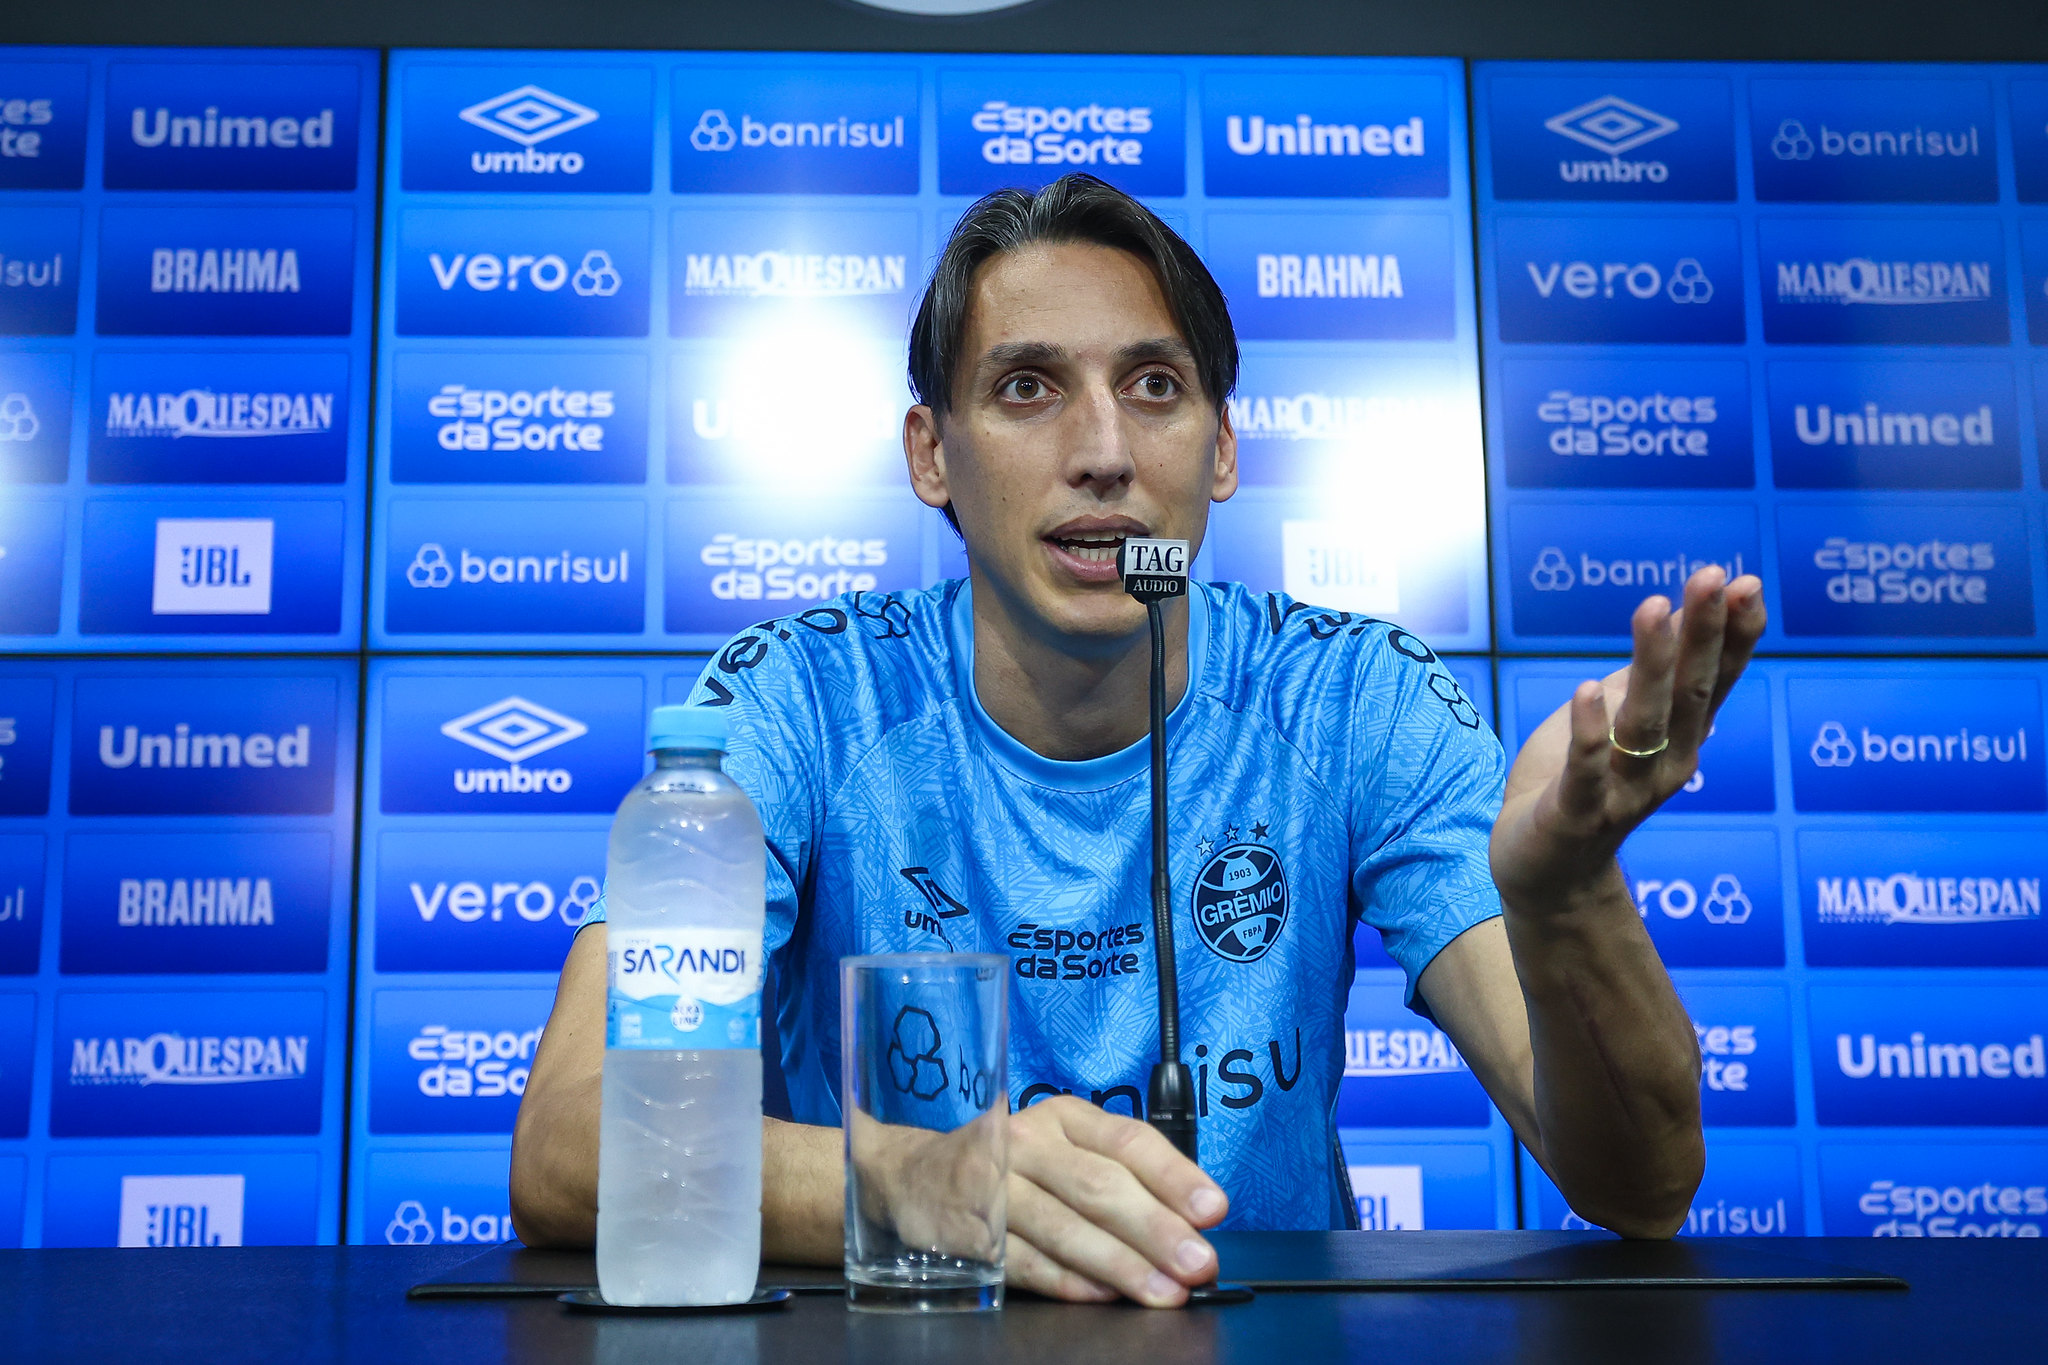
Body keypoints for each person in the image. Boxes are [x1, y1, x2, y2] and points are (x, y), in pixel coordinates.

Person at [510, 173, 1767, 1307]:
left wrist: (1563, 895)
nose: (1103, 454)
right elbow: (570, 1138)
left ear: (1219, 452)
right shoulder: (799, 698)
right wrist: (929, 1182)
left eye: (1153, 388)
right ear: (929, 455)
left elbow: (1639, 1190)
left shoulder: (1348, 696)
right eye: (1025, 387)